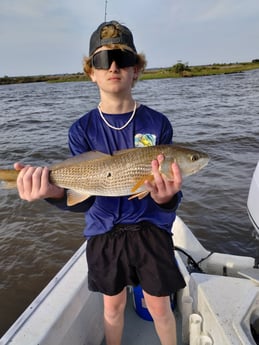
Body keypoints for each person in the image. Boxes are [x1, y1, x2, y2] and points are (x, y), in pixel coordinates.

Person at [14, 20, 186, 345]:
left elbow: (165, 192)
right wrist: (52, 189)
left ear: (137, 70)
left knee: (160, 307)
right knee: (112, 308)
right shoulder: (81, 130)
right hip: (103, 232)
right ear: (91, 71)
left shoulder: (158, 123)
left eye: (124, 58)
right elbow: (87, 198)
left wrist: (166, 199)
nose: (115, 66)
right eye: (104, 60)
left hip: (151, 229)